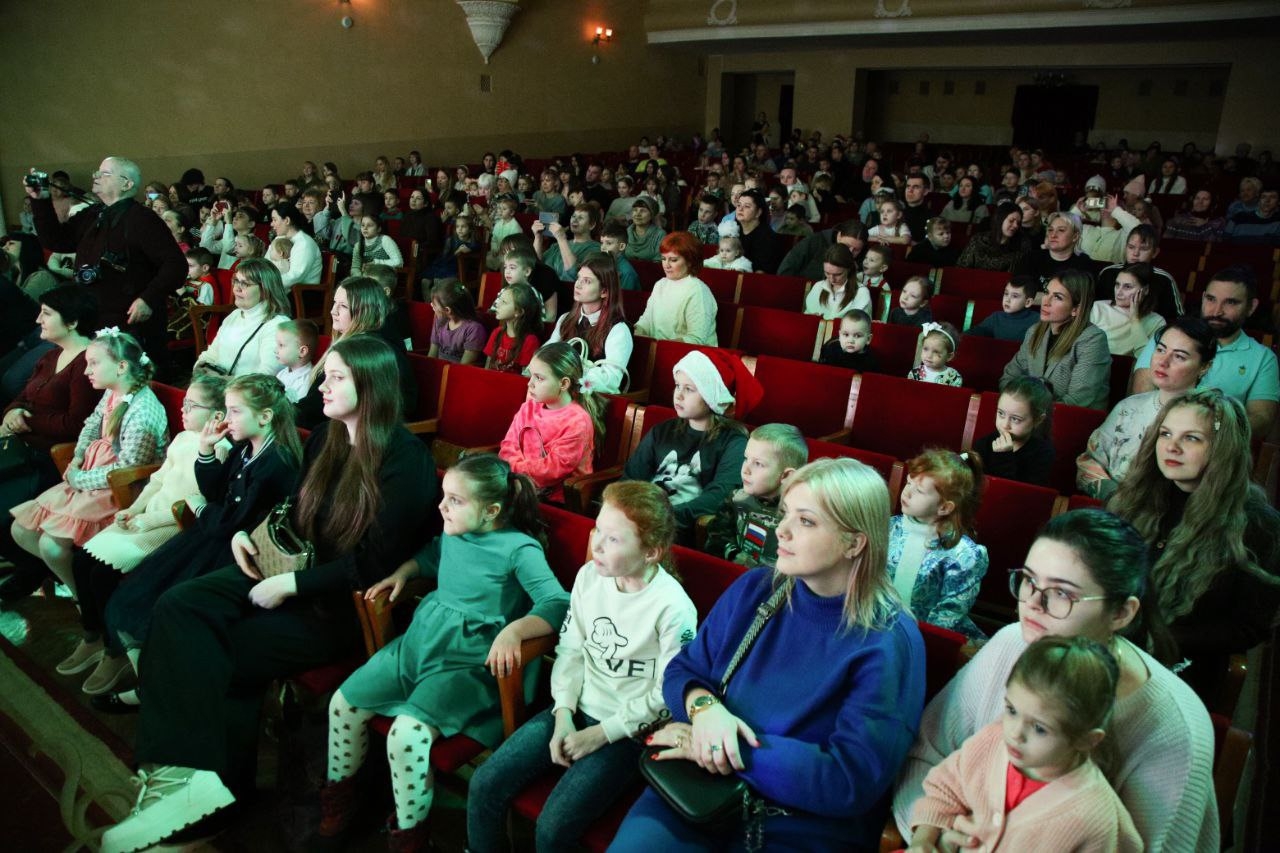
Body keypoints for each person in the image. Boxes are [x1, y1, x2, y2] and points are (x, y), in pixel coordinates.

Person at [99, 336, 439, 853]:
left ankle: (214, 793)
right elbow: (292, 513)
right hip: (284, 566)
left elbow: (373, 564)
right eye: (325, 375)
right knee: (178, 604)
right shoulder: (326, 437)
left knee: (229, 653)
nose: (322, 386)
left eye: (337, 377)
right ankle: (182, 772)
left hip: (337, 605)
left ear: (371, 385)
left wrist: (292, 585)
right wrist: (246, 533)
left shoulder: (405, 460)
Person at [609, 457, 926, 852]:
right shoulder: (758, 587)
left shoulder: (888, 641)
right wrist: (704, 709)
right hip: (696, 790)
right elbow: (684, 670)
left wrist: (729, 747)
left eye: (806, 521)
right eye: (785, 512)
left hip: (796, 823)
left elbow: (850, 780)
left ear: (854, 542)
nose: (782, 530)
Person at [892, 508, 1218, 852]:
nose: (1033, 603)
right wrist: (933, 836)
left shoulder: (1176, 726)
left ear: (1122, 613)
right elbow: (928, 756)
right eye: (1030, 581)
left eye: (1062, 593)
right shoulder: (1012, 640)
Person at [316, 453, 567, 850]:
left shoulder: (519, 549)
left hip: (468, 664)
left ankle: (411, 835)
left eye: (455, 500)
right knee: (343, 704)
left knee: (406, 735)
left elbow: (556, 602)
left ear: (491, 511)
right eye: (444, 496)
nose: (442, 507)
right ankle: (341, 797)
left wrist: (516, 630)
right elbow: (432, 555)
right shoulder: (455, 531)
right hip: (420, 645)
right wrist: (404, 573)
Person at [467, 480, 696, 853]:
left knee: (552, 829)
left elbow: (666, 694)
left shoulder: (673, 608)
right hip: (576, 707)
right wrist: (562, 713)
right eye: (597, 530)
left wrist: (601, 734)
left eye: (613, 539)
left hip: (628, 731)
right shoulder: (589, 576)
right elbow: (571, 650)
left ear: (651, 551)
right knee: (485, 783)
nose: (597, 545)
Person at [90, 374, 302, 712]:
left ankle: (159, 691)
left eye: (235, 412)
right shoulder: (246, 447)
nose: (226, 419)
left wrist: (202, 508)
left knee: (166, 607)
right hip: (216, 536)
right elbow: (217, 492)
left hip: (241, 552)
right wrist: (205, 451)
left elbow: (232, 517)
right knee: (136, 598)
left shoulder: (276, 461)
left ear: (264, 416)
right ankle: (153, 685)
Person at [60, 373, 228, 696]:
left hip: (172, 529)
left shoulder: (218, 450)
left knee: (101, 575)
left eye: (192, 406)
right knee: (81, 563)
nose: (183, 410)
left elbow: (192, 505)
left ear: (217, 415)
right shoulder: (183, 438)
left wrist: (146, 522)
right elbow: (158, 481)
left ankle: (115, 651)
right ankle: (93, 635)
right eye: (185, 403)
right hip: (145, 519)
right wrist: (134, 509)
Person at [1109, 390, 1280, 699]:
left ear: (1223, 448)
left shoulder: (1258, 525)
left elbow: (1249, 627)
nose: (1171, 446)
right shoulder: (1136, 497)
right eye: (1165, 434)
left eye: (1191, 438)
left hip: (1180, 669)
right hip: (1111, 647)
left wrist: (1153, 636)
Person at [904, 636, 1141, 853]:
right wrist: (923, 840)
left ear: (1086, 740)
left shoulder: (1095, 819)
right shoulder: (992, 740)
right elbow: (944, 789)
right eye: (1011, 710)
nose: (1015, 733)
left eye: (1039, 728)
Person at [10, 329, 167, 596]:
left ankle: (84, 599)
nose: (86, 371)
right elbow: (92, 424)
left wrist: (80, 479)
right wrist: (78, 457)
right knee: (21, 530)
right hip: (91, 476)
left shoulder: (143, 414)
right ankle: (80, 589)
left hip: (120, 491)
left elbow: (127, 471)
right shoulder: (113, 391)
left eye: (93, 363)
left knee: (51, 546)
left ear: (121, 367)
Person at [26, 157, 186, 365]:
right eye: (97, 172)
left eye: (105, 174)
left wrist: (148, 298)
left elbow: (176, 265)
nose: (97, 177)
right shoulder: (93, 213)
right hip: (92, 316)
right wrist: (40, 200)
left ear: (127, 184)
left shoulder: (143, 218)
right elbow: (56, 240)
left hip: (130, 323)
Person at [0, 286, 102, 600]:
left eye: (46, 313)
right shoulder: (51, 355)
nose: (38, 319)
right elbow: (22, 396)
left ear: (72, 322)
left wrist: (28, 421)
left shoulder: (88, 363)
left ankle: (34, 566)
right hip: (25, 450)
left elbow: (76, 424)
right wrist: (13, 411)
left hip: (53, 459)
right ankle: (31, 564)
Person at [622, 350, 761, 541]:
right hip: (640, 520)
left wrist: (661, 519)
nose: (678, 395)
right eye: (677, 385)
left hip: (676, 531)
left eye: (689, 389)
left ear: (711, 396)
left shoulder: (734, 443)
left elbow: (719, 496)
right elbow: (631, 477)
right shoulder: (662, 431)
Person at [1076, 317, 1216, 501]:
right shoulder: (1128, 407)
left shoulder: (1210, 419)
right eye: (1160, 350)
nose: (1163, 361)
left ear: (1204, 366)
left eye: (1179, 356)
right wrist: (1114, 496)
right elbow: (1088, 461)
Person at [1130, 266, 1279, 438]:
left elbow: (1262, 420)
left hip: (1218, 446)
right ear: (1202, 298)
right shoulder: (1167, 337)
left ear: (1251, 307)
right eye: (1211, 299)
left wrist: (1203, 432)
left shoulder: (1263, 358)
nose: (1217, 311)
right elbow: (1142, 394)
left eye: (1231, 302)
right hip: (1152, 434)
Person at [889, 449, 988, 638]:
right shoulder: (889, 528)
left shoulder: (963, 554)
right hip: (880, 627)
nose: (907, 492)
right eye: (908, 482)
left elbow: (948, 616)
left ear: (944, 507)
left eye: (919, 490)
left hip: (927, 637)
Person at [296, 277, 418, 429]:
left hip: (364, 431)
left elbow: (313, 409)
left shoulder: (363, 350)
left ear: (364, 311)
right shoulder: (368, 339)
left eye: (343, 306)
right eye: (334, 303)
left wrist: (282, 412)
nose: (333, 311)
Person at [499, 342, 604, 502]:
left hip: (558, 498)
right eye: (531, 375)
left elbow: (553, 470)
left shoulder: (578, 421)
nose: (530, 383)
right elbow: (508, 447)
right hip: (519, 484)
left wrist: (514, 470)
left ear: (563, 383)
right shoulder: (528, 407)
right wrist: (515, 474)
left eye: (539, 378)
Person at [1001, 271, 1112, 410]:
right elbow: (1009, 377)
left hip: (1072, 419)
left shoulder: (1093, 340)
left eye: (1057, 297)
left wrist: (1028, 411)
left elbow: (1077, 401)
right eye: (1047, 293)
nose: (1046, 302)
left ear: (1076, 309)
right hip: (1029, 415)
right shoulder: (1034, 331)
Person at [705, 423, 807, 566]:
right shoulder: (736, 498)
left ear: (786, 476)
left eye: (758, 463)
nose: (745, 469)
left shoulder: (801, 517)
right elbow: (716, 540)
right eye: (746, 458)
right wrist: (736, 556)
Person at [545, 253, 634, 394]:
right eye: (578, 278)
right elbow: (545, 355)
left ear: (604, 291)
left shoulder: (618, 329)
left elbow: (611, 379)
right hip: (561, 393)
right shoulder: (565, 319)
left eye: (587, 281)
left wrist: (569, 375)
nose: (578, 284)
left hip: (592, 399)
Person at [193, 259, 292, 378]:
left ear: (265, 290)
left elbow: (267, 377)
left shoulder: (277, 325)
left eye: (245, 284)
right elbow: (212, 354)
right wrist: (199, 368)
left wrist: (223, 380)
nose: (236, 288)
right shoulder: (234, 315)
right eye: (236, 281)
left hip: (245, 389)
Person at [633, 232, 718, 346]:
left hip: (688, 353)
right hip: (658, 349)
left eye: (673, 260)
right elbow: (647, 320)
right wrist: (636, 331)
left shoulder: (698, 291)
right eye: (663, 258)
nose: (666, 265)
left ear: (690, 262)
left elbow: (696, 339)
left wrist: (659, 347)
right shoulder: (660, 284)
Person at [972, 376, 1055, 487]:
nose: (1005, 425)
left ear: (1038, 420)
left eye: (1015, 419)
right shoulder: (984, 444)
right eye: (1001, 413)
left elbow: (1016, 492)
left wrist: (1003, 456)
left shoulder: (1043, 454)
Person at [1089, 262, 1167, 357]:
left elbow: (1145, 359)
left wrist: (1134, 319)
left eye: (1127, 287)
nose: (1119, 292)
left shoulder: (1156, 321)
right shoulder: (1097, 308)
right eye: (1117, 285)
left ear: (1145, 290)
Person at [1015, 213, 1095, 289]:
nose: (1053, 235)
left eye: (1061, 230)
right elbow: (1017, 291)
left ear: (1075, 236)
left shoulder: (1085, 264)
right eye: (1050, 230)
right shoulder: (1030, 258)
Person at [778, 219, 867, 282]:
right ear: (839, 236)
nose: (850, 252)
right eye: (847, 246)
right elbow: (786, 269)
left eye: (856, 250)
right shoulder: (814, 241)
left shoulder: (865, 258)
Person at [483, 283, 543, 374]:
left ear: (519, 312)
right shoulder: (497, 332)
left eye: (504, 302)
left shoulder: (530, 341)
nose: (497, 304)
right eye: (499, 299)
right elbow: (487, 367)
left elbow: (526, 376)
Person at [803, 244, 871, 320]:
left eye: (838, 274)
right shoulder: (818, 286)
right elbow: (806, 316)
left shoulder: (861, 292)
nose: (832, 279)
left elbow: (863, 324)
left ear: (849, 269)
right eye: (827, 273)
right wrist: (811, 318)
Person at [427, 280, 486, 365]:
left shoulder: (474, 329)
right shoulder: (440, 321)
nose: (431, 305)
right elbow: (432, 356)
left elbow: (464, 366)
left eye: (434, 304)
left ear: (447, 310)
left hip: (457, 371)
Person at [957, 203, 1026, 273]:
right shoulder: (978, 240)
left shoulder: (1020, 245)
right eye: (1011, 221)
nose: (1015, 226)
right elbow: (961, 268)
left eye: (1018, 223)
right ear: (1000, 219)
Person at [967, 275, 1038, 341]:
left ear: (1028, 302)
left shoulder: (1038, 321)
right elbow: (975, 332)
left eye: (1015, 296)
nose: (1007, 300)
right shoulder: (996, 317)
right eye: (1006, 294)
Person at [734, 189, 785, 274]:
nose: (740, 209)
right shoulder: (734, 231)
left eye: (747, 206)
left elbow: (761, 273)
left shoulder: (768, 238)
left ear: (758, 212)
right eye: (739, 205)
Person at [269, 206, 322, 287]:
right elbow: (266, 262)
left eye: (275, 220)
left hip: (301, 292)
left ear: (287, 220)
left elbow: (295, 277)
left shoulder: (305, 243)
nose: (271, 224)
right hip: (282, 288)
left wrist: (266, 283)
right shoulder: (279, 238)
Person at [274, 319, 318, 404]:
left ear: (302, 351)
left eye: (281, 345)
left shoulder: (307, 381)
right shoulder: (282, 374)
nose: (275, 350)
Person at [624, 198, 665, 262]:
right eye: (635, 210)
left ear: (652, 215)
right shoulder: (626, 232)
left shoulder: (660, 235)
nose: (637, 214)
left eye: (643, 211)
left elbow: (659, 261)